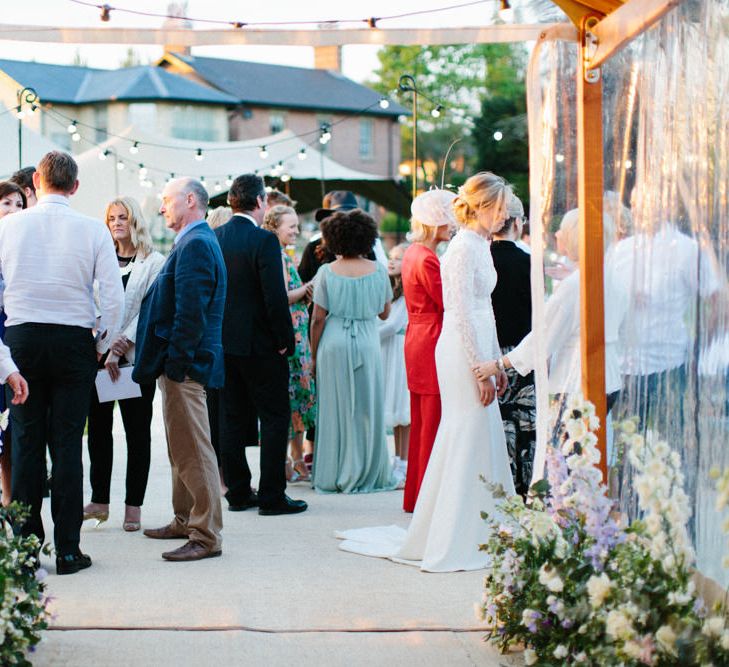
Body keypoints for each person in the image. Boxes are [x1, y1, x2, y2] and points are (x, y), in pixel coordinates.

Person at [337, 172, 515, 572]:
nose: (504, 215)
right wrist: (478, 367)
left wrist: (495, 361)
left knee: (481, 436)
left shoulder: (480, 245)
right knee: (464, 434)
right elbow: (460, 313)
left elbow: (485, 310)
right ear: (483, 206)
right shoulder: (461, 250)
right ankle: (453, 531)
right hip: (457, 349)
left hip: (480, 348)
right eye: (500, 207)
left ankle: (479, 527)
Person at [0, 151, 124, 575]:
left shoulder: (8, 227)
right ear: (75, 187)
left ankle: (26, 552)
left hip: (23, 341)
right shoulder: (93, 230)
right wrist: (101, 342)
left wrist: (4, 361)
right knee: (69, 446)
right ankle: (68, 552)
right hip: (74, 340)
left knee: (26, 444)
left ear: (36, 181)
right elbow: (113, 298)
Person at [133, 177, 226, 562]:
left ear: (190, 200)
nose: (161, 208)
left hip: (186, 366)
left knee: (194, 450)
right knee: (180, 448)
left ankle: (204, 535)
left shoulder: (198, 243)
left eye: (167, 201)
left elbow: (191, 313)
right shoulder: (194, 240)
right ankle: (184, 518)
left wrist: (175, 364)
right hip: (182, 364)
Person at [215, 174, 307, 516]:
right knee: (274, 416)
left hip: (225, 345)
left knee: (231, 418)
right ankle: (271, 496)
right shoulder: (264, 242)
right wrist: (286, 340)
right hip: (262, 346)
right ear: (260, 203)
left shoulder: (214, 238)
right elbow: (274, 298)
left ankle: (238, 492)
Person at [474, 208, 624, 409]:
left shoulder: (575, 285)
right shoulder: (611, 277)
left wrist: (498, 364)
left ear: (575, 238)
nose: (558, 234)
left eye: (563, 230)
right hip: (610, 374)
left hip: (577, 378)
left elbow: (544, 336)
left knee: (572, 439)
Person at [83, 197, 165, 531]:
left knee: (137, 433)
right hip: (98, 358)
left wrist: (121, 344)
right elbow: (88, 300)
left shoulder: (153, 261)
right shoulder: (99, 258)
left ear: (136, 222)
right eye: (112, 218)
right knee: (98, 433)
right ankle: (99, 500)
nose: (117, 223)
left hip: (133, 359)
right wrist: (103, 345)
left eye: (123, 217)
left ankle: (134, 506)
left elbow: (150, 308)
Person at [310, 209, 397, 494]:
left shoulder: (325, 272)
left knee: (334, 408)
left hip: (333, 342)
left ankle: (335, 471)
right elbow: (385, 314)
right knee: (366, 408)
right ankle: (367, 471)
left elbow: (318, 318)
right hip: (367, 341)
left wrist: (313, 355)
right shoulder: (379, 272)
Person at [400, 189, 455, 513]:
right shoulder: (428, 258)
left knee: (422, 417)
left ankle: (416, 494)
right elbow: (445, 301)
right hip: (431, 336)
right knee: (431, 417)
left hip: (417, 335)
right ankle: (426, 497)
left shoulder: (413, 253)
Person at [262, 205, 316, 483]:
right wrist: (306, 289)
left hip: (296, 334)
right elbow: (280, 295)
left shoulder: (282, 254)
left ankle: (295, 459)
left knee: (295, 402)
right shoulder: (276, 256)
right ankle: (288, 461)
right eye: (291, 226)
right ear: (275, 226)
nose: (296, 231)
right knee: (290, 400)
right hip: (289, 338)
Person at [489, 193, 535, 497]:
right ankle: (525, 486)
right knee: (525, 424)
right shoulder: (528, 262)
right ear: (517, 223)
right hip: (521, 352)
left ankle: (498, 484)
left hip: (490, 351)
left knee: (496, 422)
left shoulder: (482, 259)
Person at [0, 181, 27, 506]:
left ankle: (10, 505)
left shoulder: (22, 246)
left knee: (13, 432)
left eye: (20, 205)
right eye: (7, 203)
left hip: (17, 339)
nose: (15, 211)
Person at [379, 243, 410, 483]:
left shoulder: (408, 292)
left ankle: (404, 461)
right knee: (395, 410)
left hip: (400, 350)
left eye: (398, 258)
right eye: (391, 257)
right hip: (389, 350)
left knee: (402, 407)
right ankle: (398, 459)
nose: (392, 261)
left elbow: (391, 325)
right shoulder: (393, 289)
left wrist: (367, 331)